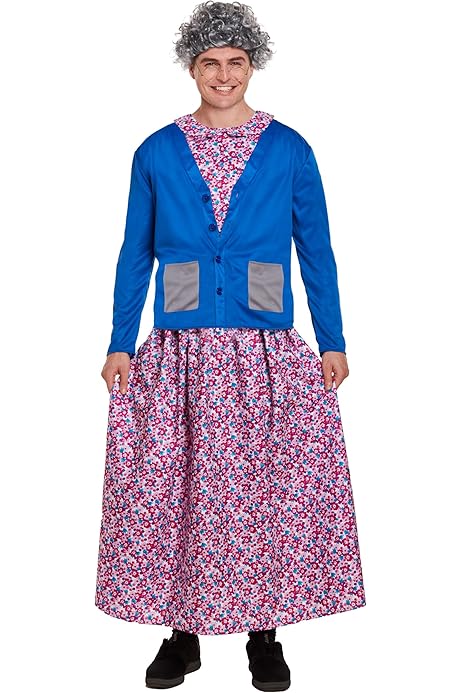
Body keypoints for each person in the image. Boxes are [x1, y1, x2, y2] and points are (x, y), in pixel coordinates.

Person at [95, 2, 366, 691]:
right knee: (177, 486)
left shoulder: (289, 148)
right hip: (181, 346)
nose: (223, 75)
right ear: (192, 69)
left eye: (235, 62)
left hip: (263, 345)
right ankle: (180, 632)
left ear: (253, 66)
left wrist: (332, 339)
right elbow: (135, 253)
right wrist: (120, 341)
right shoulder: (157, 150)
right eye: (210, 63)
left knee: (262, 487)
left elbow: (316, 250)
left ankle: (263, 633)